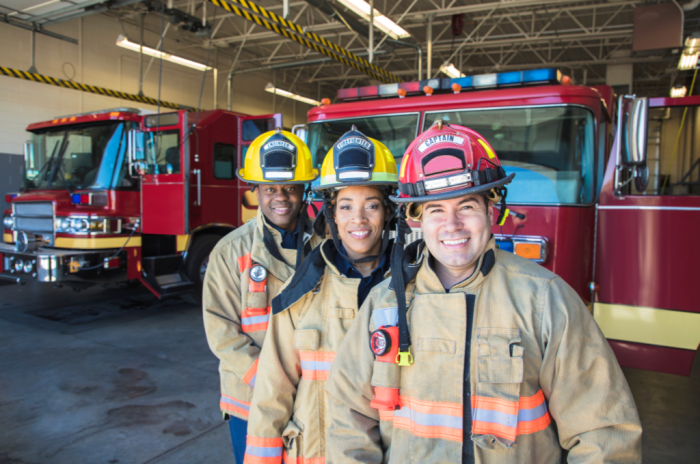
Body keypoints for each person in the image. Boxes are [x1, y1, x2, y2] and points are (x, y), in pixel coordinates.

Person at [325, 120, 643, 463]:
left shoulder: (544, 299)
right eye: (435, 210)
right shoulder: (385, 303)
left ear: (492, 210)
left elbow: (604, 434)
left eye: (467, 206)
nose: (452, 225)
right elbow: (348, 422)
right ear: (416, 220)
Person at [242, 127, 399, 464]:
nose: (358, 219)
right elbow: (272, 394)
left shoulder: (414, 289)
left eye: (371, 205)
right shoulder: (302, 291)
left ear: (388, 211)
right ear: (331, 215)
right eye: (345, 206)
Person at [203, 128, 321, 464]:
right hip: (250, 396)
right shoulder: (230, 251)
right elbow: (221, 332)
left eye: (290, 188)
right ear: (255, 190)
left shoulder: (327, 244)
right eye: (270, 189)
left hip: (311, 393)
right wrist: (271, 381)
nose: (280, 197)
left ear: (303, 190)